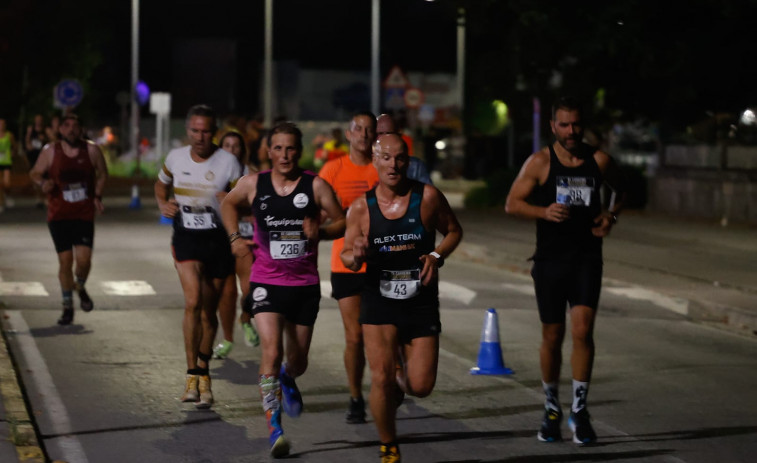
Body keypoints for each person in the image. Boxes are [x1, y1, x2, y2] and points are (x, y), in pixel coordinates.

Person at [504, 96, 625, 446]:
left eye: (576, 124)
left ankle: (580, 410)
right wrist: (544, 212)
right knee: (553, 336)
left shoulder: (599, 160)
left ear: (582, 126)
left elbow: (624, 189)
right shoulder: (540, 162)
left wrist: (612, 215)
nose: (571, 131)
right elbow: (512, 204)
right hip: (550, 261)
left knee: (583, 330)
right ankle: (552, 407)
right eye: (564, 125)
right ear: (553, 127)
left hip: (587, 257)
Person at [221, 121, 345, 458]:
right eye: (278, 148)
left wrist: (321, 229)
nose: (284, 155)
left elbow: (342, 219)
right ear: (268, 151)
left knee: (298, 360)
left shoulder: (315, 186)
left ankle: (290, 377)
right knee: (271, 353)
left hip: (304, 285)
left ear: (299, 151)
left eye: (290, 148)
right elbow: (227, 204)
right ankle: (275, 429)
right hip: (266, 282)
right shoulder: (253, 184)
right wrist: (235, 240)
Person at [341, 133, 463, 463]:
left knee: (420, 386)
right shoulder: (360, 209)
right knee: (378, 377)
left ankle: (399, 374)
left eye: (399, 158)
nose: (393, 165)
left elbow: (454, 231)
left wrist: (436, 256)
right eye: (385, 158)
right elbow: (346, 258)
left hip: (419, 300)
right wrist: (358, 255)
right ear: (374, 161)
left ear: (407, 162)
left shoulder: (428, 198)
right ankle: (389, 446)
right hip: (378, 299)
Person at [154, 104, 242, 409]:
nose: (200, 136)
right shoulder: (175, 157)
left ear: (214, 131)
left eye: (206, 131)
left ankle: (204, 370)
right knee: (192, 302)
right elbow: (160, 183)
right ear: (187, 131)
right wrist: (162, 202)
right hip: (186, 238)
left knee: (208, 313)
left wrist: (230, 200)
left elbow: (244, 201)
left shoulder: (229, 162)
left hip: (217, 241)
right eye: (195, 130)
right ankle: (192, 375)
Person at [318, 111, 378, 424]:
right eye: (359, 129)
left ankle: (389, 383)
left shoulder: (385, 166)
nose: (364, 135)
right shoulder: (332, 169)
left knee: (386, 333)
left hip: (384, 262)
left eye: (370, 130)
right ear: (348, 134)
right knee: (355, 337)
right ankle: (355, 396)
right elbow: (318, 211)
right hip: (346, 264)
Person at [29, 114, 108, 325]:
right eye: (67, 126)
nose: (71, 129)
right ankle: (67, 307)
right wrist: (43, 182)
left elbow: (102, 173)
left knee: (84, 260)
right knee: (65, 262)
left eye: (76, 125)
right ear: (60, 130)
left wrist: (97, 196)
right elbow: (35, 173)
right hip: (58, 215)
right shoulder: (50, 151)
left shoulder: (91, 150)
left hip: (83, 214)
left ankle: (79, 286)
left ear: (81, 129)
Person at [212, 131, 260, 359]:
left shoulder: (251, 175)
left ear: (243, 149)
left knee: (249, 286)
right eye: (227, 145)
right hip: (218, 237)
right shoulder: (211, 173)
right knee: (227, 292)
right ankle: (228, 339)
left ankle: (246, 318)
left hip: (245, 236)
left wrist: (236, 207)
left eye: (236, 146)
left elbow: (262, 206)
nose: (231, 150)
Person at [376, 114, 432, 185]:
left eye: (389, 133)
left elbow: (428, 193)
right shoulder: (364, 164)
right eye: (380, 133)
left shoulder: (415, 167)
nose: (384, 137)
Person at [26, 114, 49, 208]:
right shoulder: (31, 130)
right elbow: (27, 141)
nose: (38, 121)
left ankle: (45, 197)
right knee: (34, 177)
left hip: (44, 157)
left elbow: (52, 141)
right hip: (33, 157)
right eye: (37, 120)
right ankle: (39, 198)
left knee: (45, 177)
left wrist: (45, 139)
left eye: (40, 120)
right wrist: (29, 146)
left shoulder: (46, 130)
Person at [0, 118, 17, 212]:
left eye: (2, 124)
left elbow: (14, 146)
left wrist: (13, 153)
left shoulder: (9, 135)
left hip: (6, 161)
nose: (1, 125)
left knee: (7, 183)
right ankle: (1, 202)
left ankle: (6, 196)